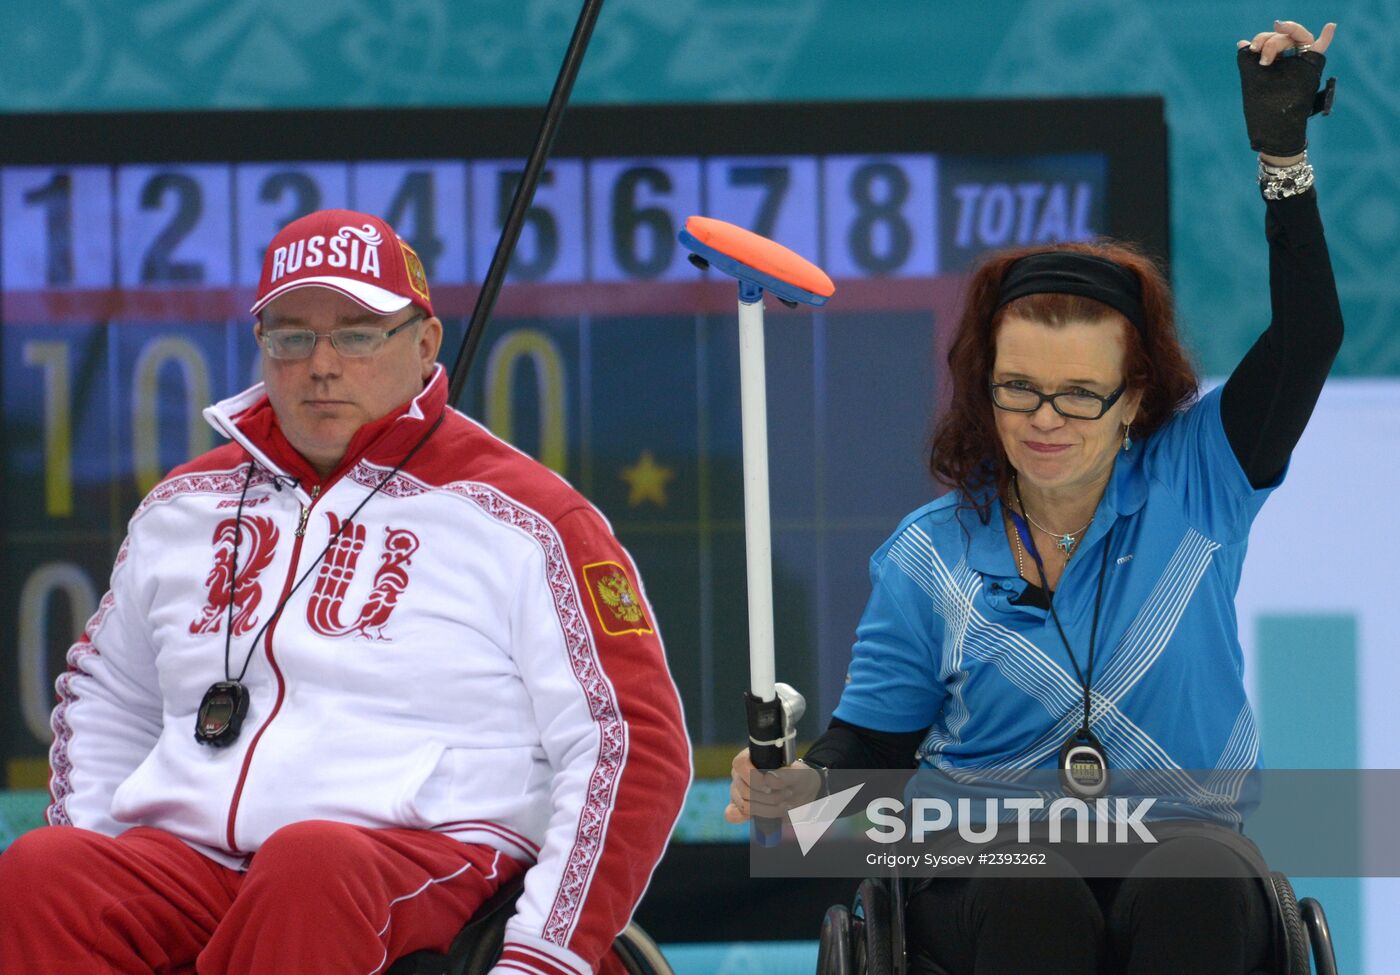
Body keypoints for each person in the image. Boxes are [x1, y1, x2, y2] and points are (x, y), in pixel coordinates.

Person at [726, 19, 1342, 975]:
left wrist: (1284, 164)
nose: (1044, 419)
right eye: (1018, 388)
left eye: (1079, 394)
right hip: (985, 859)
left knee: (1196, 884)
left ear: (1135, 396)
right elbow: (874, 745)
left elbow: (1307, 339)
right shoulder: (930, 553)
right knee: (1030, 885)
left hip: (1181, 842)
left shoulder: (1202, 477)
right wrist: (800, 787)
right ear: (986, 386)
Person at [0, 207, 692, 974]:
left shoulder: (527, 517)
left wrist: (542, 956)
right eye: (292, 336)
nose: (321, 365)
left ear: (424, 343)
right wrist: (103, 839)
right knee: (44, 872)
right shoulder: (183, 505)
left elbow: (632, 744)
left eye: (358, 334)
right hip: (199, 861)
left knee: (309, 867)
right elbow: (107, 698)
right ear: (261, 343)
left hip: (421, 855)